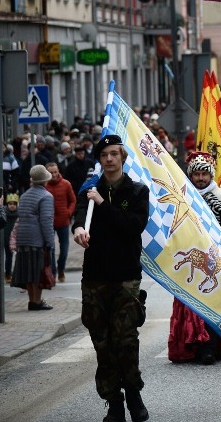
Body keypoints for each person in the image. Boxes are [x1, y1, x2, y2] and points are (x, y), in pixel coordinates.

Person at [72, 135, 150, 422]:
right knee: (102, 344)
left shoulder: (137, 191)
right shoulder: (89, 190)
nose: (109, 159)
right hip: (95, 277)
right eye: (104, 154)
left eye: (114, 153)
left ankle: (133, 395)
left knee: (126, 341)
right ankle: (113, 402)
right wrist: (78, 228)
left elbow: (133, 227)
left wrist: (104, 204)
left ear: (123, 157)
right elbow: (79, 215)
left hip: (126, 277)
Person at [168, 151, 221, 364]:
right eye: (196, 174)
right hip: (191, 260)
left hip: (216, 262)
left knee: (218, 301)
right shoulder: (183, 199)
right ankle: (198, 346)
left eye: (204, 174)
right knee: (193, 306)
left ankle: (217, 346)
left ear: (211, 176)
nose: (200, 178)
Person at [11, 165, 55, 310]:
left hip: (23, 238)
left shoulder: (24, 196)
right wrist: (50, 241)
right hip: (37, 239)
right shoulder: (46, 196)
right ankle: (37, 301)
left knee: (28, 272)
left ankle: (32, 301)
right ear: (45, 181)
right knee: (38, 272)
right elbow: (46, 221)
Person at [43, 161, 76, 282]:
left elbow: (73, 200)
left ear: (59, 171)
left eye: (55, 172)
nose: (54, 174)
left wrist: (68, 212)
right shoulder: (44, 185)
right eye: (51, 172)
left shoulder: (66, 184)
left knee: (64, 250)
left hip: (63, 221)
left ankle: (61, 268)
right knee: (50, 249)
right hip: (48, 222)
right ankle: (53, 272)